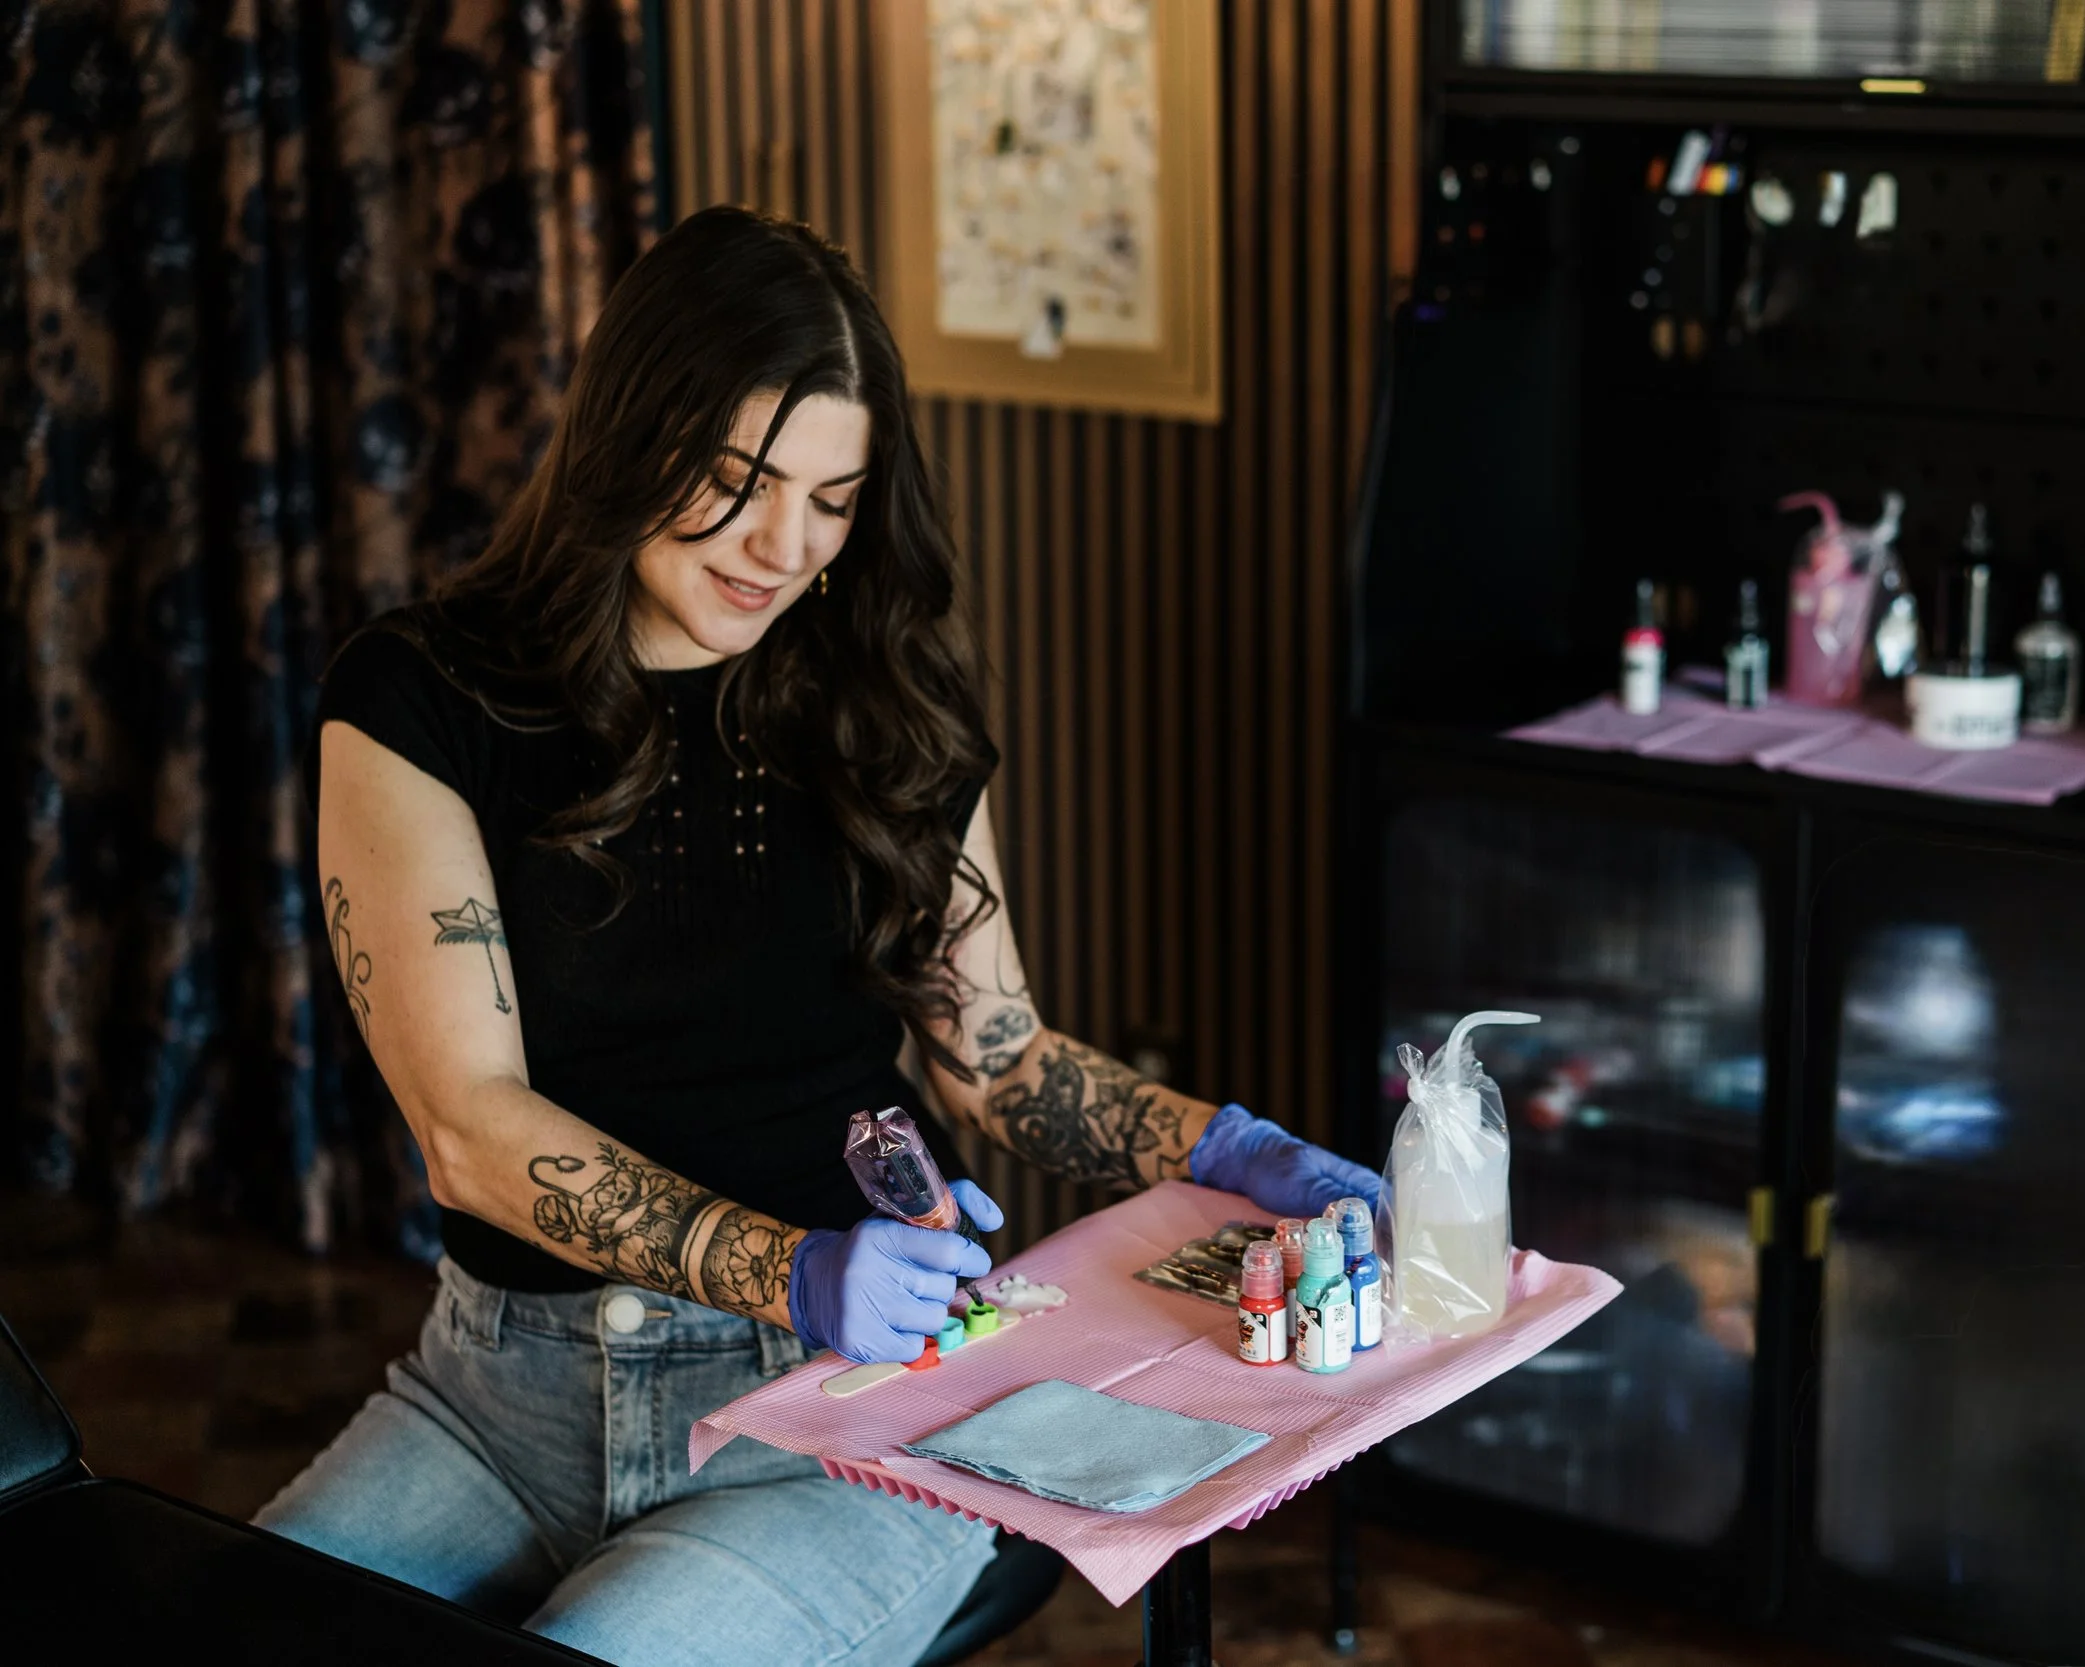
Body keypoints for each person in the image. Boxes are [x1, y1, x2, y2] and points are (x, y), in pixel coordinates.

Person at [259, 205, 1381, 1667]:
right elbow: (470, 1126)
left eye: (833, 500)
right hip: (497, 1401)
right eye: (736, 482)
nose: (782, 547)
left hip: (842, 1410)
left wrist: (1228, 1147)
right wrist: (785, 1258)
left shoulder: (885, 713)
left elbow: (999, 1061)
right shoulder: (419, 701)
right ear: (626, 437)